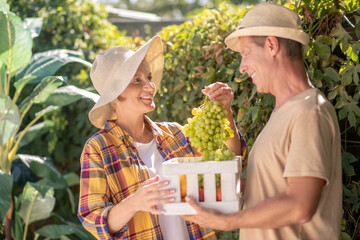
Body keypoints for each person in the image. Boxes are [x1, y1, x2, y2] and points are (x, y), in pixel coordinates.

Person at [182, 3, 342, 240]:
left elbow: (300, 205)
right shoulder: (285, 111)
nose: (242, 67)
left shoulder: (309, 112)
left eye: (246, 54)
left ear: (271, 45)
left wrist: (226, 221)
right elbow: (270, 189)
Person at [77, 35, 245, 240]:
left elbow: (229, 159)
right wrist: (135, 202)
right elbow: (92, 219)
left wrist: (225, 111)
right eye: (137, 80)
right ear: (115, 93)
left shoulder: (175, 133)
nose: (150, 86)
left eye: (148, 77)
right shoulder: (98, 148)